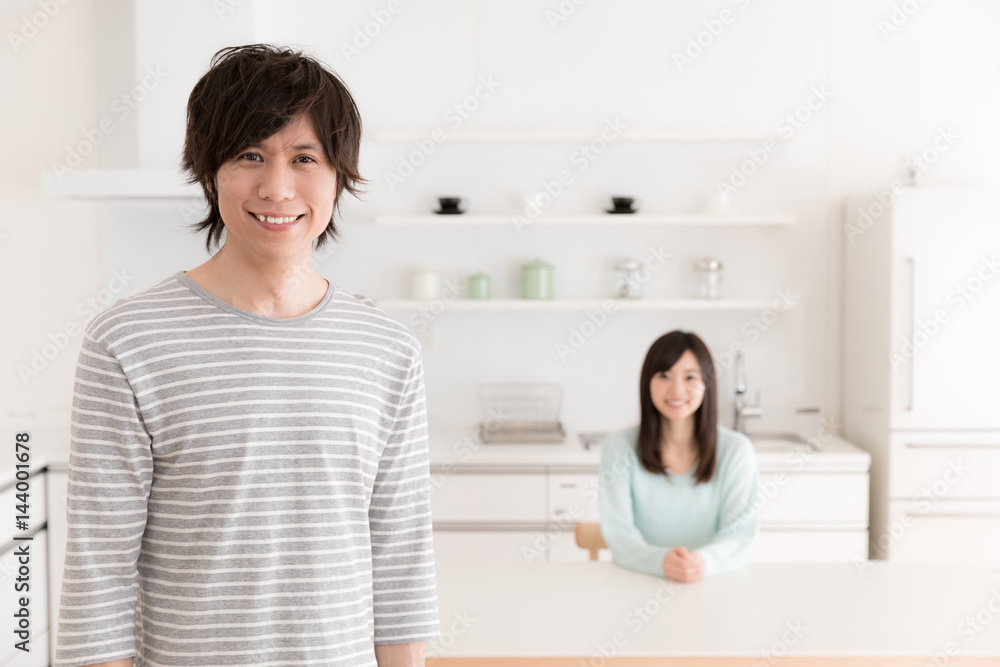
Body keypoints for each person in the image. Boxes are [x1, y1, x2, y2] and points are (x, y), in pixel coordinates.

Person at [55, 44, 440, 667]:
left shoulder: (387, 349)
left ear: (340, 174)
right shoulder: (126, 340)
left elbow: (401, 558)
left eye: (305, 157)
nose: (277, 186)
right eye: (250, 155)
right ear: (210, 171)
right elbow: (98, 569)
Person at [598, 330, 760, 582]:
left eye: (690, 377)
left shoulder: (736, 451)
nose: (677, 389)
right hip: (637, 581)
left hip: (713, 581)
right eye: (664, 375)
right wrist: (662, 562)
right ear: (647, 382)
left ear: (707, 384)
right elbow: (619, 535)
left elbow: (740, 534)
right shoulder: (618, 448)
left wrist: (701, 563)